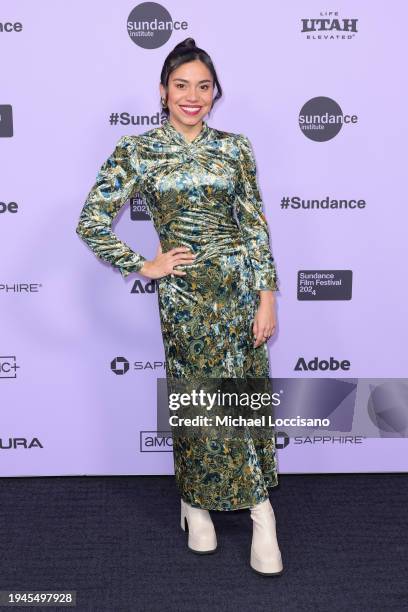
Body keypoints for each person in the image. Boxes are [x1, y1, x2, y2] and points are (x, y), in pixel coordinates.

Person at [76, 37, 283, 576]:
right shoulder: (136, 149)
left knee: (242, 399)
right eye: (181, 85)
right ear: (163, 92)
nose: (193, 96)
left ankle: (262, 513)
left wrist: (266, 297)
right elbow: (91, 221)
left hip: (240, 291)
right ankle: (195, 504)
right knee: (197, 406)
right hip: (186, 298)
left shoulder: (236, 147)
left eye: (204, 87)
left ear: (216, 94)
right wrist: (144, 264)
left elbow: (255, 227)